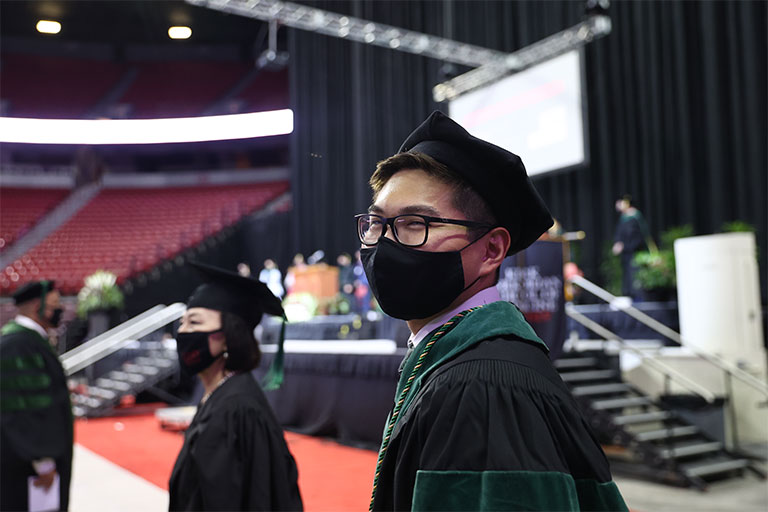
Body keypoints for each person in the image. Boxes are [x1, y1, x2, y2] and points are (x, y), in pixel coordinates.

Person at [357, 111, 627, 511]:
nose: (383, 243)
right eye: (377, 223)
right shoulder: (451, 356)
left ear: (491, 250)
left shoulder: (481, 387)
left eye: (415, 223)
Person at [169, 262, 302, 511]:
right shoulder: (218, 394)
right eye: (182, 323)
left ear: (229, 335)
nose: (183, 332)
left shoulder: (238, 410)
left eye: (194, 323)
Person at [1, 280, 73, 512]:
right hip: (28, 464)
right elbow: (21, 409)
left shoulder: (31, 340)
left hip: (32, 459)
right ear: (36, 306)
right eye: (54, 305)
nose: (60, 309)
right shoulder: (19, 344)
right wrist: (42, 460)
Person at [612, 194, 653, 298]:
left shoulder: (635, 217)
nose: (617, 205)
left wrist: (624, 246)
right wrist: (618, 243)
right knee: (628, 281)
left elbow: (639, 238)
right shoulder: (623, 218)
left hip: (636, 254)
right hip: (626, 256)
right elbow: (619, 235)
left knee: (635, 280)